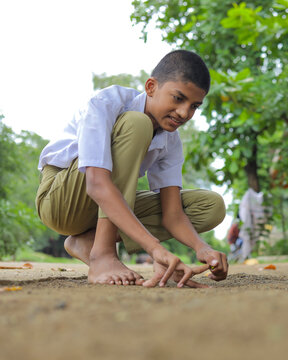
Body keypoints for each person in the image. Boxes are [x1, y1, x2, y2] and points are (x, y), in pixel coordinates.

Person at [35, 50, 228, 288]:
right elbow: (96, 183)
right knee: (137, 123)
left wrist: (203, 248)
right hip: (62, 199)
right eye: (178, 98)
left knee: (211, 206)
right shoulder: (108, 103)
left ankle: (87, 242)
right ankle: (102, 254)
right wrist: (155, 248)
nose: (184, 113)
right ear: (150, 87)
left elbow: (173, 214)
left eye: (194, 106)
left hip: (100, 207)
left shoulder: (171, 139)